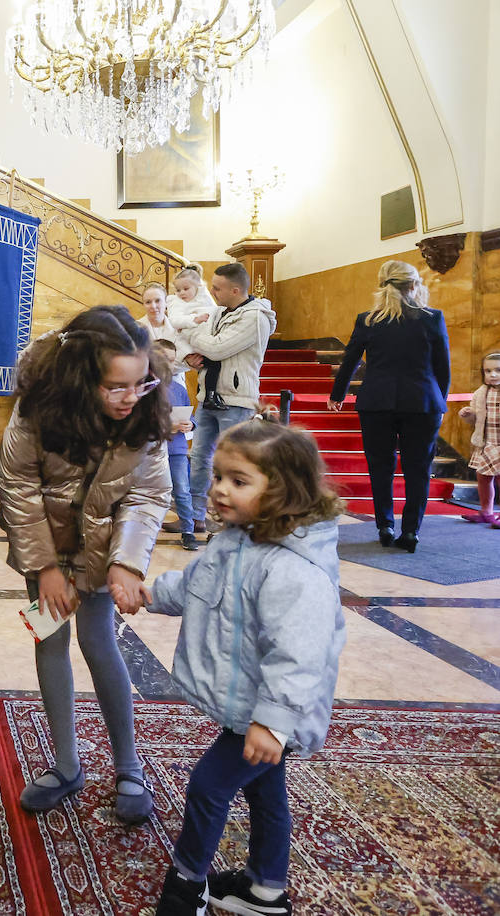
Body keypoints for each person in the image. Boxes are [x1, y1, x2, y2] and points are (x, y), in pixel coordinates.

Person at [146, 421, 345, 916]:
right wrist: (152, 594)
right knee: (264, 789)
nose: (218, 490)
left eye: (238, 481)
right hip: (249, 704)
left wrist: (272, 723)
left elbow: (299, 658)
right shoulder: (237, 539)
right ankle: (266, 890)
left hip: (270, 711)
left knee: (209, 787)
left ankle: (186, 887)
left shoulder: (294, 571)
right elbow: (200, 584)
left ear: (282, 491)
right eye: (217, 477)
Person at [0, 306, 172, 824]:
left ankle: (129, 767)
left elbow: (148, 495)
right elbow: (18, 487)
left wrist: (127, 565)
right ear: (80, 377)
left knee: (99, 642)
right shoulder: (38, 409)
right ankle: (67, 766)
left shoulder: (144, 408)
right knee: (48, 641)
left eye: (138, 383)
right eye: (114, 386)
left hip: (103, 548)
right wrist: (45, 566)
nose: (128, 398)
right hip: (45, 546)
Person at [328, 259, 450, 553]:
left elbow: (351, 360)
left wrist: (338, 394)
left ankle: (385, 525)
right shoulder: (432, 318)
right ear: (413, 285)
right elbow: (442, 366)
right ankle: (411, 532)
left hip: (376, 402)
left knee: (380, 467)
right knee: (418, 469)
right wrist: (440, 400)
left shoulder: (368, 319)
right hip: (422, 403)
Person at [184, 262, 277, 537]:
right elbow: (204, 351)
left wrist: (194, 333)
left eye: (217, 287)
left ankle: (233, 521)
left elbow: (217, 347)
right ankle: (194, 517)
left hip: (236, 401)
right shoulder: (219, 312)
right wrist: (191, 357)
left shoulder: (255, 317)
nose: (211, 291)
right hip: (207, 396)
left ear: (235, 290)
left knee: (233, 463)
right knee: (199, 458)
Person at [153, 339, 199, 550]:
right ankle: (147, 530)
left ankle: (188, 530)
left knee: (182, 489)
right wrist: (164, 427)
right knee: (153, 492)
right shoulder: (146, 388)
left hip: (177, 449)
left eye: (172, 360)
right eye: (163, 359)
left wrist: (191, 424)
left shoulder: (179, 388)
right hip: (153, 450)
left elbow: (189, 414)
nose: (168, 364)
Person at [168, 266, 224, 407]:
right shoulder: (175, 302)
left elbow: (215, 311)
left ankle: (210, 396)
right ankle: (209, 397)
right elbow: (175, 321)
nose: (181, 293)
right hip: (186, 343)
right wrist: (194, 319)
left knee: (212, 366)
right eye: (178, 290)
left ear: (197, 287)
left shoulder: (202, 298)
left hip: (203, 339)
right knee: (209, 365)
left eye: (186, 289)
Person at [458, 351, 500, 527]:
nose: (492, 375)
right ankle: (486, 512)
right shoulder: (480, 393)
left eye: (498, 370)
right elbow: (475, 420)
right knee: (483, 477)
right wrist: (468, 415)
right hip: (487, 442)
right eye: (488, 371)